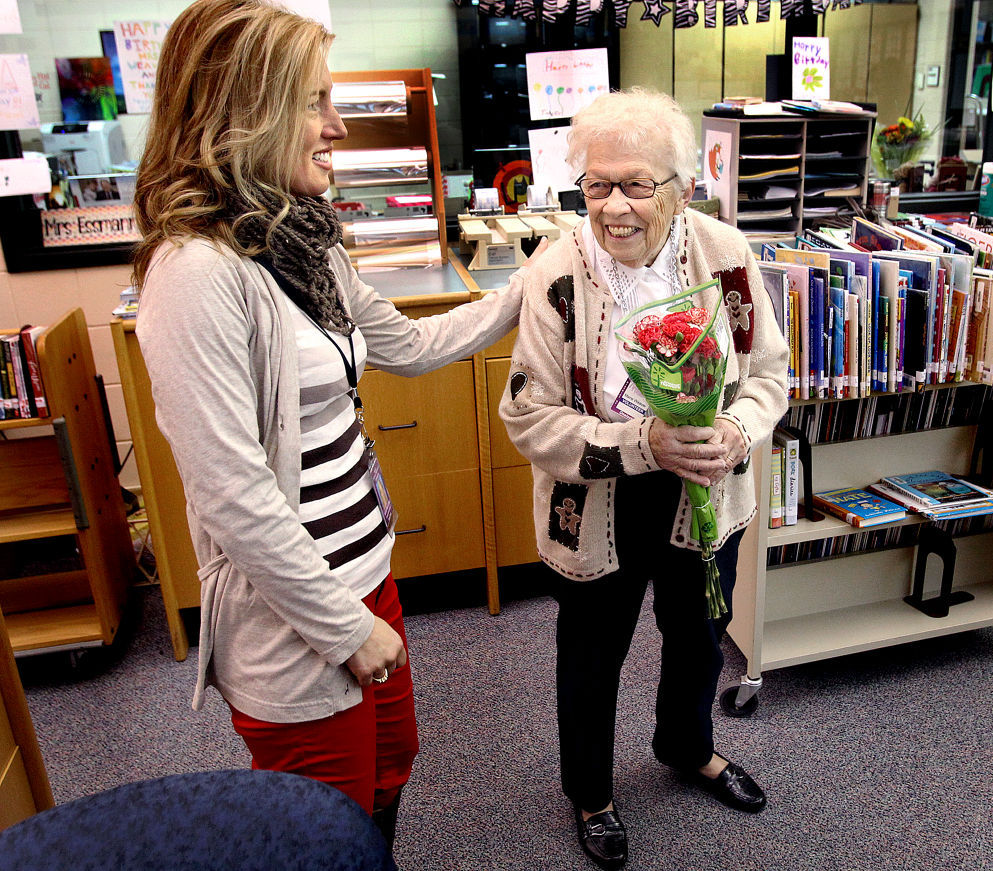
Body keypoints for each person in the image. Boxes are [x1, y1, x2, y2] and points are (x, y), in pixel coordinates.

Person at [131, 0, 541, 862]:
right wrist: (344, 629)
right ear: (246, 110)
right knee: (324, 816)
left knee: (394, 764)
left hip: (364, 573)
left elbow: (411, 344)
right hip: (294, 614)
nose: (337, 124)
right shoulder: (195, 273)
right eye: (314, 101)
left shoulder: (303, 242)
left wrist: (526, 289)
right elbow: (232, 493)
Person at [498, 88, 789, 870]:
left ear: (682, 187)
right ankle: (590, 792)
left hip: (705, 482)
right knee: (592, 652)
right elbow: (528, 417)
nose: (614, 207)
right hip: (596, 497)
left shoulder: (726, 255)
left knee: (696, 638)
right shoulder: (554, 274)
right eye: (596, 186)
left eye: (636, 184)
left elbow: (768, 374)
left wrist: (734, 428)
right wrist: (640, 442)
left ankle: (687, 746)